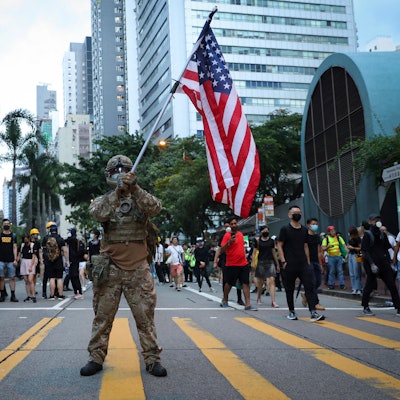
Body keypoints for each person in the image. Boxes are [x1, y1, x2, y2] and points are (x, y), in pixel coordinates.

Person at [80, 154, 166, 377]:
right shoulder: (105, 200)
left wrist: (134, 189)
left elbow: (155, 208)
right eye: (116, 172)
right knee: (102, 317)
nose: (120, 174)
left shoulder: (141, 197)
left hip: (138, 268)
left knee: (145, 317)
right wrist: (117, 194)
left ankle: (152, 359)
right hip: (110, 269)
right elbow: (98, 213)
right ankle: (96, 357)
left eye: (124, 171)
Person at [276, 206, 325, 322]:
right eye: (294, 212)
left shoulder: (304, 230)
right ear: (289, 215)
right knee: (289, 289)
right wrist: (283, 261)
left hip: (303, 264)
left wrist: (308, 262)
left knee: (310, 286)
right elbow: (279, 245)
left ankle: (313, 312)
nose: (297, 214)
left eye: (299, 212)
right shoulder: (285, 229)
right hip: (290, 264)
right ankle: (291, 312)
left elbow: (305, 246)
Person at [361, 214, 400, 316]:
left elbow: (387, 248)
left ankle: (398, 307)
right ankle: (365, 306)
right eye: (374, 220)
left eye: (378, 220)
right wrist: (372, 264)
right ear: (370, 222)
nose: (377, 221)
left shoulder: (382, 234)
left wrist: (391, 262)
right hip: (372, 264)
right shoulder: (367, 235)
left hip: (383, 263)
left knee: (392, 284)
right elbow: (365, 251)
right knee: (370, 285)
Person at [219, 216, 256, 310]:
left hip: (243, 263)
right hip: (232, 264)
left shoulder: (240, 234)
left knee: (245, 283)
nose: (234, 225)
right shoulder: (227, 236)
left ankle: (248, 304)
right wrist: (229, 243)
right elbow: (221, 250)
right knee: (229, 283)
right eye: (232, 224)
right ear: (230, 226)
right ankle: (225, 299)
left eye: (235, 223)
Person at [301, 218, 325, 311]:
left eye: (316, 224)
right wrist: (306, 262)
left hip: (316, 262)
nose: (315, 225)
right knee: (313, 282)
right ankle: (316, 303)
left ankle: (306, 295)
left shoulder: (317, 237)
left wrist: (321, 264)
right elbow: (304, 249)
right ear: (308, 225)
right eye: (313, 224)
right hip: (308, 262)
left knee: (318, 282)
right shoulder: (305, 236)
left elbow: (319, 251)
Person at [253, 225, 279, 307]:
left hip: (270, 262)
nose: (265, 232)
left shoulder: (271, 241)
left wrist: (277, 264)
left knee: (271, 280)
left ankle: (273, 301)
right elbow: (254, 253)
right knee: (260, 283)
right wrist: (253, 263)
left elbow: (274, 252)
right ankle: (259, 297)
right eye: (264, 230)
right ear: (261, 232)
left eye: (267, 230)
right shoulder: (258, 241)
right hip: (261, 262)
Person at [42, 223, 69, 300]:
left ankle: (52, 295)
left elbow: (43, 250)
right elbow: (65, 250)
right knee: (59, 278)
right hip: (58, 260)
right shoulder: (60, 239)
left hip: (49, 261)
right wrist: (67, 260)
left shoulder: (46, 238)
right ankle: (60, 295)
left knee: (51, 278)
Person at [0, 219, 19, 302]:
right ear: (2, 225)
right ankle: (2, 295)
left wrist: (15, 259)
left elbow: (15, 247)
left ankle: (13, 295)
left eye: (8, 223)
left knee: (12, 278)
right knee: (1, 278)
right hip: (1, 260)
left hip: (11, 260)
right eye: (5, 224)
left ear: (10, 225)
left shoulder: (13, 236)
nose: (6, 225)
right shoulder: (0, 235)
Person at [65, 228, 85, 300]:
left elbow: (64, 241)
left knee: (74, 277)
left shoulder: (71, 239)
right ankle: (77, 292)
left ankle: (78, 292)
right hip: (76, 260)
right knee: (73, 277)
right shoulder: (76, 240)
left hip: (73, 260)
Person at [20, 233, 38, 303]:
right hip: (24, 261)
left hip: (30, 262)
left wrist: (31, 265)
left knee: (31, 280)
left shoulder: (32, 245)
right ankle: (28, 295)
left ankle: (33, 295)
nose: (25, 239)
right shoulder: (22, 245)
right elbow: (20, 253)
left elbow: (34, 256)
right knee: (26, 281)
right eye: (24, 238)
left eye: (26, 237)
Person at [347, 226, 362, 295]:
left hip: (356, 255)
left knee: (357, 273)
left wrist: (352, 248)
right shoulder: (350, 238)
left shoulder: (358, 239)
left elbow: (360, 248)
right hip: (350, 255)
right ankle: (354, 288)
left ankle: (358, 288)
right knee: (352, 273)